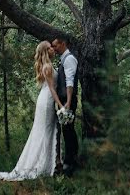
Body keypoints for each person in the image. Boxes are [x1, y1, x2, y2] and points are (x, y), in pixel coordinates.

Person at [0, 41, 63, 181]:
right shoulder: (47, 67)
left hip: (45, 99)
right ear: (46, 51)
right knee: (44, 131)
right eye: (50, 48)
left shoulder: (48, 65)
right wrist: (61, 105)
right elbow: (52, 89)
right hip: (47, 101)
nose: (53, 49)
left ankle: (50, 162)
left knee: (47, 131)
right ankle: (41, 164)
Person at [51, 37, 79, 175]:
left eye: (56, 46)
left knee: (68, 131)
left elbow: (70, 81)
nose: (54, 49)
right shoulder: (63, 59)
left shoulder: (69, 59)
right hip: (63, 99)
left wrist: (67, 102)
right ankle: (71, 160)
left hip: (68, 100)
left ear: (63, 44)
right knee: (67, 130)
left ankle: (70, 164)